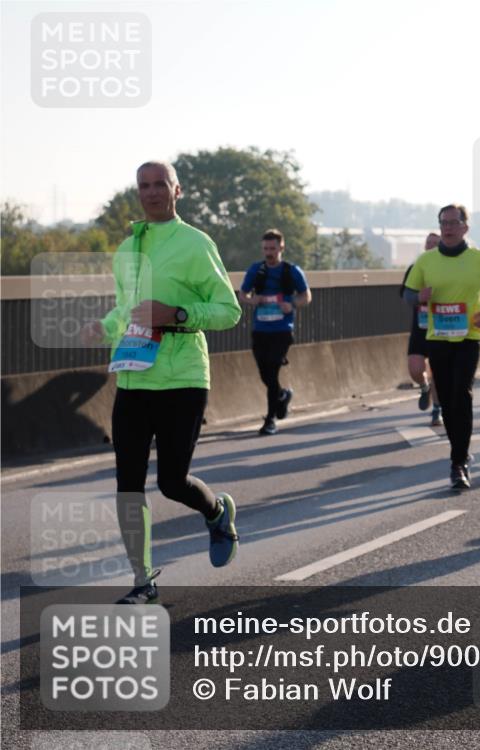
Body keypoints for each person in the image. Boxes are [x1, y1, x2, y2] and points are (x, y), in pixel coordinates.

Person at [80, 161, 242, 604]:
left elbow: (228, 310)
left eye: (159, 185)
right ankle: (142, 580)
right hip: (133, 379)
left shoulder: (195, 243)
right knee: (128, 484)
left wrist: (178, 315)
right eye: (144, 186)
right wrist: (103, 326)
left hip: (183, 378)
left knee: (172, 482)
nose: (151, 193)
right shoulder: (126, 249)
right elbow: (126, 311)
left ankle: (216, 510)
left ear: (177, 190)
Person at [403, 204, 480, 491]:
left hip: (468, 337)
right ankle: (460, 451)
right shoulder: (426, 261)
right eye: (443, 222)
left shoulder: (479, 258)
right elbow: (408, 294)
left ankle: (458, 462)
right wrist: (418, 297)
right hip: (437, 337)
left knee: (462, 392)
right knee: (447, 399)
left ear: (465, 227)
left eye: (453, 222)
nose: (447, 227)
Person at [240, 228, 311, 436]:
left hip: (282, 330)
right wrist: (252, 300)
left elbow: (306, 296)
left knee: (272, 368)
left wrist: (293, 304)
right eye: (265, 249)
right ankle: (282, 394)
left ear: (281, 247)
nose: (268, 253)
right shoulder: (256, 270)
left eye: (272, 248)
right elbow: (243, 294)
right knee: (264, 372)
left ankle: (270, 419)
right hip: (260, 328)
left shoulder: (291, 271)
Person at [400, 232, 442, 426]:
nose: (431, 246)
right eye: (428, 243)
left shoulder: (447, 268)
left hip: (443, 326)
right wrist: (419, 297)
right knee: (416, 369)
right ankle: (424, 388)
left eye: (435, 243)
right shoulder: (416, 268)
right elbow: (406, 296)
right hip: (421, 326)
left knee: (438, 372)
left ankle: (437, 410)